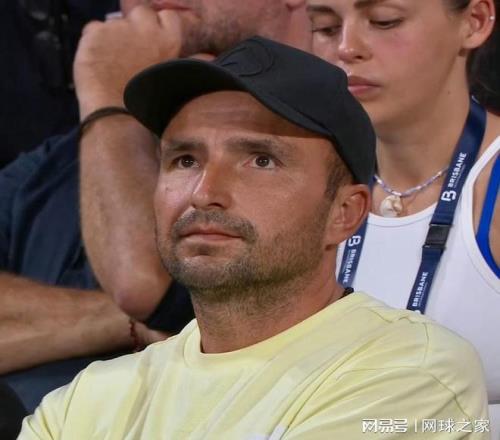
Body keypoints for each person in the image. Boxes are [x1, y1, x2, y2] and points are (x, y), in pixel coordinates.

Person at [19, 37, 489, 439]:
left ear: (344, 213)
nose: (205, 192)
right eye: (185, 160)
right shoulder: (87, 398)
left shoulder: (413, 373)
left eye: (261, 160)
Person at [0, 0, 311, 413]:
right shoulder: (53, 166)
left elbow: (140, 283)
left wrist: (106, 96)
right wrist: (126, 321)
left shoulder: (327, 155)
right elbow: (150, 300)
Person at [307, 0, 499, 435]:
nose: (346, 47)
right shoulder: (303, 185)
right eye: (325, 26)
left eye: (384, 21)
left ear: (474, 21)